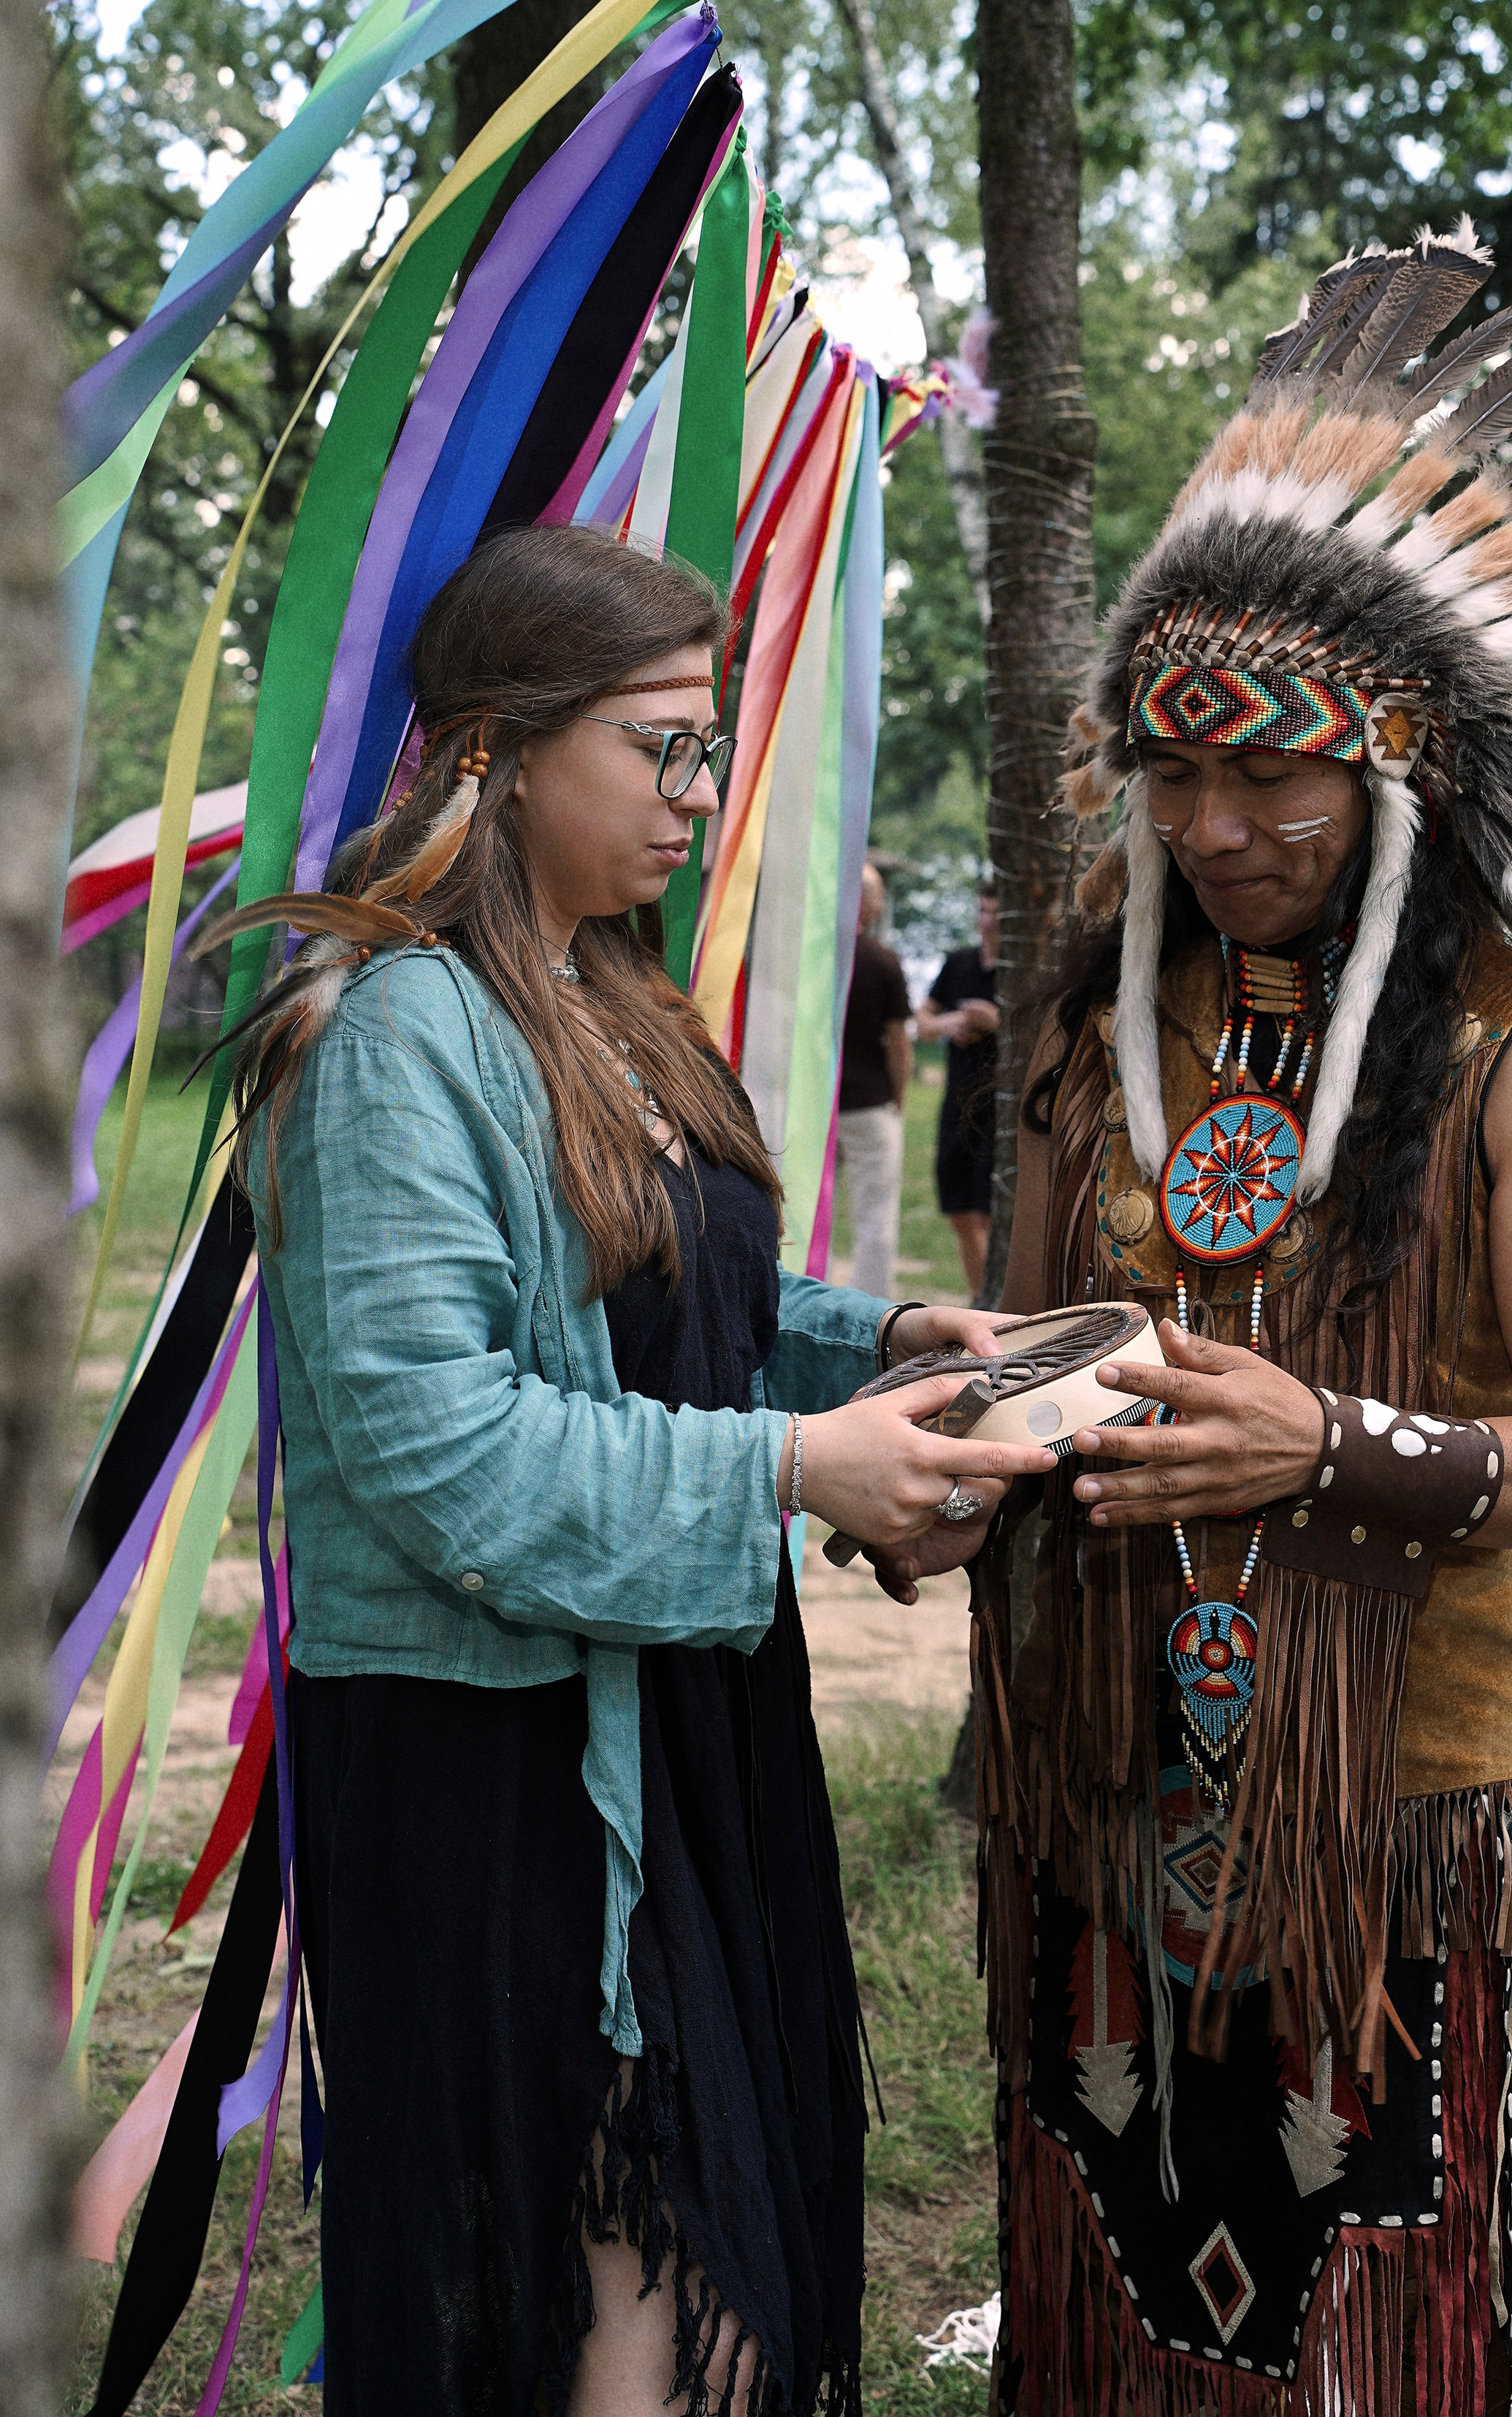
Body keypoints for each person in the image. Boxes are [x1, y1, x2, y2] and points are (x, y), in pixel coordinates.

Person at [955, 227, 1512, 2414]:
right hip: (1111, 1781)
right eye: (1173, 775)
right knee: (1136, 2299)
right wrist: (966, 1434)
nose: (1220, 824)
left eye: (1279, 776)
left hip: (1407, 1818)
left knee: (1410, 2322)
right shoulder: (1087, 1032)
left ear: (1397, 770)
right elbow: (1034, 1335)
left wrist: (1324, 1446)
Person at [219, 525, 1050, 2417]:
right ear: (499, 754)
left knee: (667, 2279)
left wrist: (881, 1349)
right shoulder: (390, 1038)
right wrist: (788, 1472)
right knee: (624, 2281)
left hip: (656, 1716)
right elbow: (439, 1446)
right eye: (660, 747)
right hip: (496, 1775)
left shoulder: (602, 996)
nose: (699, 794)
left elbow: (669, 1297)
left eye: (710, 747)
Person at [917, 881, 1001, 1295]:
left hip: (999, 1111)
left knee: (987, 1212)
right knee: (961, 1213)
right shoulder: (959, 964)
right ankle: (980, 1298)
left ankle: (991, 1305)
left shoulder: (1019, 974)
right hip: (956, 1104)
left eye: (996, 912)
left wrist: (995, 1022)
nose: (987, 921)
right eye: (983, 910)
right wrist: (953, 1023)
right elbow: (923, 1022)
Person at [835, 861, 912, 1295]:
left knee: (806, 1207)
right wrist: (898, 1098)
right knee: (875, 1218)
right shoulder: (884, 963)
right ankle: (872, 1310)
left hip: (820, 1106)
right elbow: (898, 1044)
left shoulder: (815, 961)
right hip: (870, 1106)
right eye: (878, 896)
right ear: (867, 904)